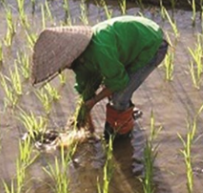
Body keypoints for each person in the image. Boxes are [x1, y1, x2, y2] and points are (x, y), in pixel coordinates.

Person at [30, 15, 168, 138]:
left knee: (120, 94)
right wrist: (87, 122)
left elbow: (119, 82)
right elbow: (85, 90)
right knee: (113, 84)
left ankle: (122, 135)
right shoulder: (80, 60)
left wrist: (95, 101)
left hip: (151, 43)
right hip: (128, 45)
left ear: (71, 55)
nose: (63, 67)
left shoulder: (100, 50)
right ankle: (126, 113)